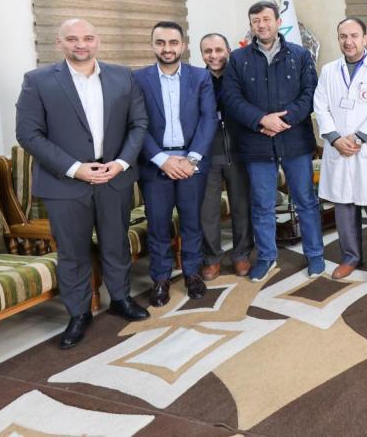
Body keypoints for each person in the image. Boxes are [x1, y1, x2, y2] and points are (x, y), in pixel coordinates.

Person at [16, 18, 149, 348]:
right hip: (64, 183)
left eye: (88, 38)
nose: (81, 44)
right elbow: (28, 134)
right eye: (72, 38)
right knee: (72, 252)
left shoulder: (123, 76)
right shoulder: (38, 80)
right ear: (59, 42)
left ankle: (120, 299)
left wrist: (121, 163)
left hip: (113, 178)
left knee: (116, 243)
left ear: (97, 41)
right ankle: (78, 314)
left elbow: (138, 124)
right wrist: (75, 169)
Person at [222, 1, 322, 281]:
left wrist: (282, 121)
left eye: (266, 19)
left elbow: (310, 94)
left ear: (278, 22)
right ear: (251, 25)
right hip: (257, 142)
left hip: (295, 140)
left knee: (306, 200)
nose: (261, 25)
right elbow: (231, 99)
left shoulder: (300, 55)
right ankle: (266, 257)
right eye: (256, 21)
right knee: (262, 204)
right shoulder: (238, 59)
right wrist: (262, 120)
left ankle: (315, 255)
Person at [133, 22, 217, 306]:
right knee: (158, 225)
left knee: (192, 221)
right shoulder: (138, 79)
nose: (167, 48)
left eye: (172, 43)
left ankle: (192, 273)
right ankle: (160, 278)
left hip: (192, 162)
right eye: (160, 42)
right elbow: (136, 124)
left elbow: (208, 119)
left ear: (183, 45)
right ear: (152, 45)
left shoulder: (200, 77)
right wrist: (162, 159)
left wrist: (192, 159)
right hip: (155, 163)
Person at [313, 17, 367, 284]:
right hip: (339, 148)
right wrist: (335, 139)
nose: (348, 41)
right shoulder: (329, 70)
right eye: (343, 36)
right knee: (344, 205)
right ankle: (350, 257)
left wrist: (359, 136)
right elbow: (320, 106)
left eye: (354, 36)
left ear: (365, 38)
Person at [198, 32, 253, 280]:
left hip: (239, 150)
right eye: (208, 51)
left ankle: (241, 255)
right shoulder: (196, 81)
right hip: (207, 153)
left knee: (241, 206)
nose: (214, 56)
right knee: (207, 210)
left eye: (219, 50)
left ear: (228, 51)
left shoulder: (240, 78)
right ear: (202, 55)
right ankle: (211, 259)